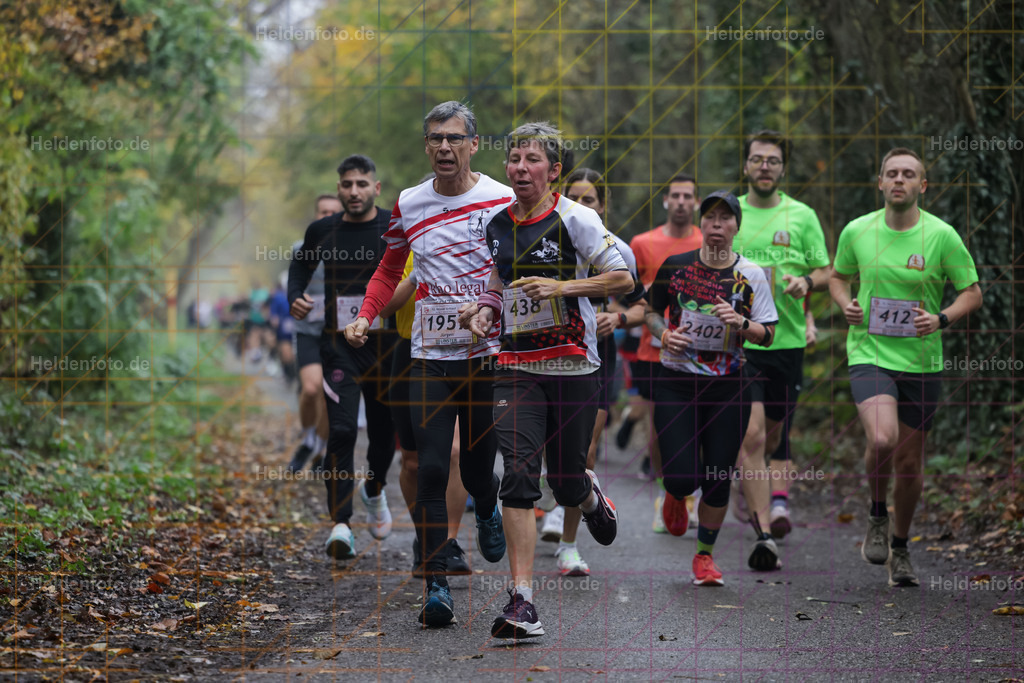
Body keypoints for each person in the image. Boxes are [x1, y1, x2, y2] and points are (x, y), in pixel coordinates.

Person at [344, 101, 513, 627]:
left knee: (481, 471)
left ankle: (488, 507)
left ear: (474, 145)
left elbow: (521, 267)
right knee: (433, 468)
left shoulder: (503, 199)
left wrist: (493, 308)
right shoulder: (410, 203)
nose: (445, 147)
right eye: (436, 138)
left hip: (486, 358)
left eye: (455, 138)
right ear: (426, 146)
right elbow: (390, 267)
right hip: (428, 358)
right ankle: (435, 585)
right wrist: (366, 315)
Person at [462, 123, 629, 639]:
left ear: (553, 171)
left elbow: (621, 277)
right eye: (514, 159)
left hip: (575, 364)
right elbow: (499, 279)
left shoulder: (577, 218)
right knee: (517, 473)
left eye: (532, 160)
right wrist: (485, 309)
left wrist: (563, 284)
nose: (519, 168)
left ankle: (589, 495)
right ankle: (522, 601)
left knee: (565, 479)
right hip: (516, 367)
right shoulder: (496, 224)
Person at [830, 148, 981, 587]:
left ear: (922, 186)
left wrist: (941, 319)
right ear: (880, 183)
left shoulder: (941, 236)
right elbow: (839, 277)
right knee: (882, 437)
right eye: (892, 173)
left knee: (911, 464)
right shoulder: (858, 230)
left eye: (909, 174)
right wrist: (846, 304)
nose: (899, 180)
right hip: (870, 353)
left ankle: (899, 546)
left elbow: (971, 292)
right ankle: (877, 514)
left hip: (921, 361)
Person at [645, 191, 778, 586]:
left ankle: (704, 556)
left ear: (737, 226)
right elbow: (650, 312)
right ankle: (675, 491)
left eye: (726, 218)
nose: (717, 224)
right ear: (701, 225)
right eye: (711, 218)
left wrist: (742, 325)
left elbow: (768, 333)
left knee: (719, 475)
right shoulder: (676, 266)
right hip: (676, 383)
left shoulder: (752, 275)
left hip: (729, 387)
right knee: (684, 477)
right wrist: (664, 334)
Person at [728, 130, 831, 571]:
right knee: (751, 435)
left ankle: (752, 487)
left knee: (775, 432)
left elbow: (827, 270)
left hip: (785, 339)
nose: (764, 166)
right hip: (739, 341)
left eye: (772, 160)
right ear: (746, 165)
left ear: (782, 168)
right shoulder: (730, 212)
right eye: (757, 159)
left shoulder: (802, 215)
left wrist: (806, 283)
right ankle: (766, 529)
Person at [289, 154, 398, 561]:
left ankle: (374, 487)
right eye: (347, 184)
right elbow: (299, 269)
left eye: (362, 184)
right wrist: (294, 299)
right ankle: (341, 523)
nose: (354, 191)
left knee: (384, 435)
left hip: (386, 348)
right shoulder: (322, 230)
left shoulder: (394, 226)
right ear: (338, 188)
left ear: (376, 187)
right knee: (341, 432)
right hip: (339, 348)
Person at [540, 168, 646, 578]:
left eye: (591, 200)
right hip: (543, 355)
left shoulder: (617, 249)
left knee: (581, 452)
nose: (583, 206)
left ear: (602, 206)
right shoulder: (540, 240)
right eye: (575, 198)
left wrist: (616, 318)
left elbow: (641, 307)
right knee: (541, 449)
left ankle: (568, 545)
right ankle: (553, 500)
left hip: (594, 359)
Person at [381, 247, 471, 577]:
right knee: (412, 460)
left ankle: (447, 542)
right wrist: (419, 272)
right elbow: (384, 305)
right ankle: (425, 538)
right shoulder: (402, 246)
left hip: (460, 350)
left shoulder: (470, 240)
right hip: (409, 351)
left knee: (454, 452)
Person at [625, 175, 703, 530]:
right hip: (653, 349)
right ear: (666, 202)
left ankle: (692, 495)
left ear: (697, 203)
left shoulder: (710, 241)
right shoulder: (642, 243)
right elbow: (628, 291)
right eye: (676, 195)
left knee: (700, 425)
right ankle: (666, 495)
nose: (683, 201)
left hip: (702, 352)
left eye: (689, 196)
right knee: (660, 427)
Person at [287, 194, 342, 472]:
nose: (328, 217)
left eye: (333, 212)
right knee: (311, 389)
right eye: (323, 212)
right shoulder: (302, 248)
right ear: (315, 214)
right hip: (308, 330)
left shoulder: (353, 248)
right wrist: (296, 298)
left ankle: (321, 449)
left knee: (329, 392)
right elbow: (294, 284)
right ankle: (308, 439)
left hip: (338, 332)